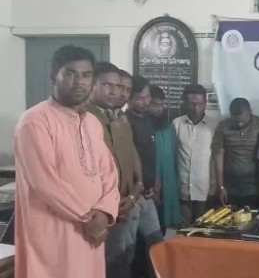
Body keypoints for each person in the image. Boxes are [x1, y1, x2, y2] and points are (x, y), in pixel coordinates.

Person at [14, 45, 120, 278]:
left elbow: (109, 173)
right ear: (54, 76)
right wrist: (88, 218)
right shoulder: (35, 121)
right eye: (71, 74)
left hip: (91, 231)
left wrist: (104, 212)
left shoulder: (92, 122)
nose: (80, 82)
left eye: (86, 75)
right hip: (54, 232)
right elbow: (44, 183)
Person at [87, 62, 143, 278]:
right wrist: (107, 205)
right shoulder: (86, 118)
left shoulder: (117, 117)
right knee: (109, 264)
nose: (115, 92)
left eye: (118, 87)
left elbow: (128, 154)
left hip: (126, 200)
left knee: (124, 257)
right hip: (103, 208)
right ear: (92, 85)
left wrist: (135, 190)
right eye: (107, 85)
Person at [126, 76, 163, 278]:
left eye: (148, 96)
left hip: (148, 194)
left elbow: (150, 155)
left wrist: (154, 183)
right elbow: (128, 161)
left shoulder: (148, 120)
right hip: (132, 195)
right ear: (129, 98)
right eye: (141, 98)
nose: (147, 101)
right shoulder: (125, 122)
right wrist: (137, 189)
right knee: (127, 250)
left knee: (156, 243)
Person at [211, 97, 259, 209]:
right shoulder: (223, 127)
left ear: (250, 114)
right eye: (237, 121)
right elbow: (218, 155)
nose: (240, 125)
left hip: (254, 188)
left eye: (243, 121)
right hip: (230, 187)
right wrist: (221, 187)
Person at [172, 84, 213, 225]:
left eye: (199, 104)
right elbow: (172, 155)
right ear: (185, 103)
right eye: (192, 104)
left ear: (205, 103)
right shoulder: (177, 124)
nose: (196, 108)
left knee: (202, 230)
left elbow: (217, 158)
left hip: (205, 190)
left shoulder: (214, 126)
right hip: (182, 189)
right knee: (183, 230)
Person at [148, 85, 182, 232]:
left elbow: (173, 156)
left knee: (162, 226)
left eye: (162, 105)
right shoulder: (141, 126)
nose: (159, 109)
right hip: (149, 185)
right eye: (155, 105)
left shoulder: (168, 128)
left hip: (167, 184)